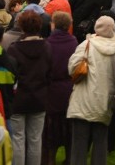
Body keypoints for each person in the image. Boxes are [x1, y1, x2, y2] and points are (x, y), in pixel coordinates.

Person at [68, 14, 115, 165]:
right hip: (103, 100)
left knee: (79, 144)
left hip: (83, 100)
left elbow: (71, 68)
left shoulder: (86, 45)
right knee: (100, 142)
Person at [8, 8, 53, 165]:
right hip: (39, 97)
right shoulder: (47, 47)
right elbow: (50, 72)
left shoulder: (14, 49)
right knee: (35, 139)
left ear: (21, 26)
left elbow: (11, 75)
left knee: (18, 139)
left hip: (19, 98)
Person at [42, 11, 77, 165]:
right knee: (68, 126)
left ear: (54, 24)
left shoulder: (47, 43)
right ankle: (69, 158)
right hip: (69, 88)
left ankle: (50, 159)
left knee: (51, 129)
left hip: (52, 89)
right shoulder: (74, 41)